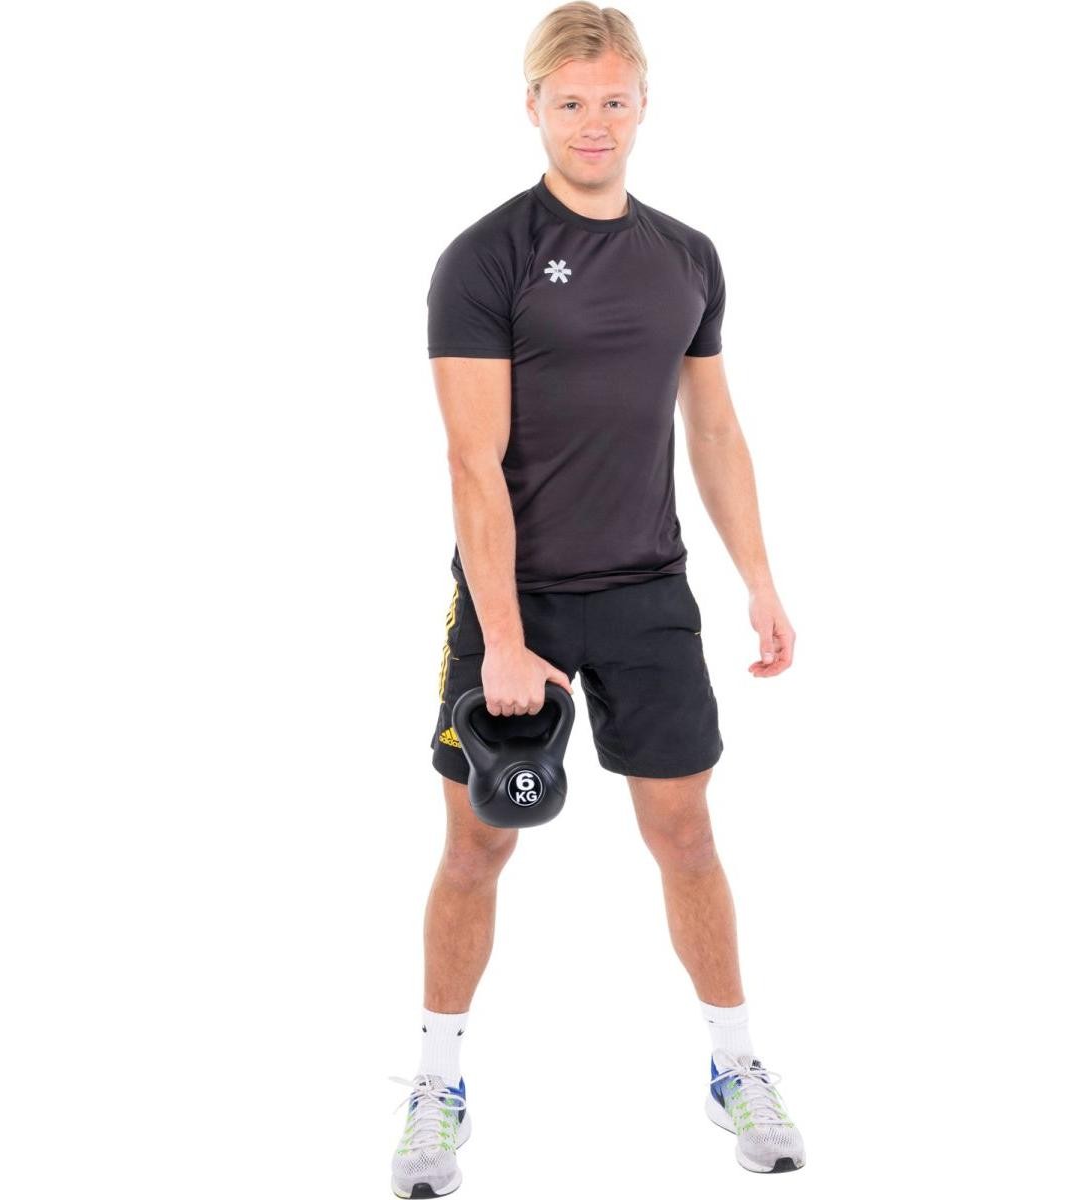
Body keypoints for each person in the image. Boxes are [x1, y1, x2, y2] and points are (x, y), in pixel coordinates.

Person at [389, 5, 804, 1195]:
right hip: (514, 604)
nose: (594, 122)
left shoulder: (688, 256)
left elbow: (712, 427)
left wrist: (760, 579)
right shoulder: (486, 258)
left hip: (649, 596)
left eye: (614, 100)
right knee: (478, 844)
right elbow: (472, 461)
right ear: (532, 107)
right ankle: (435, 1084)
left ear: (643, 105)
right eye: (570, 101)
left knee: (687, 835)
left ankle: (735, 1062)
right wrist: (504, 638)